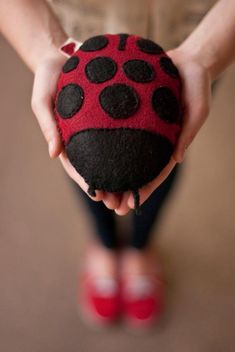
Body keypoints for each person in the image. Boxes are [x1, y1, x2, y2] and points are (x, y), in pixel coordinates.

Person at [0, 0, 234, 329]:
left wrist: (206, 55)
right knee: (82, 162)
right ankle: (105, 245)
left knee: (170, 153)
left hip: (198, 33)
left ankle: (140, 247)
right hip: (78, 36)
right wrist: (45, 47)